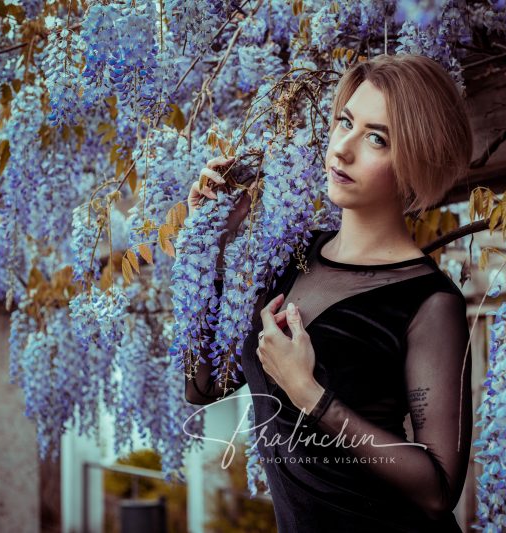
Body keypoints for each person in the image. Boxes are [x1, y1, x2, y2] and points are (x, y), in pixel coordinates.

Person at [185, 53, 473, 533]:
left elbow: (438, 491)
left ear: (417, 162)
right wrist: (208, 247)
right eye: (345, 122)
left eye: (377, 138)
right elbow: (204, 387)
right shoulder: (290, 256)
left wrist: (310, 396)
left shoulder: (429, 301)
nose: (342, 149)